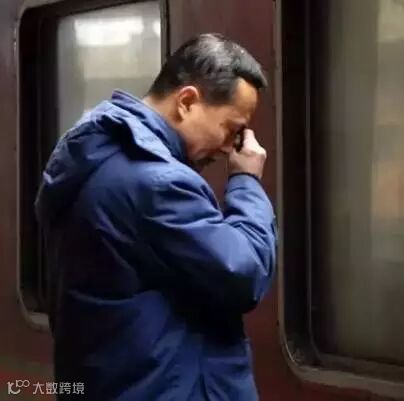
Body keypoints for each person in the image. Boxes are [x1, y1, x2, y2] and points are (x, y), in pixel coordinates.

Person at [34, 33, 276, 401]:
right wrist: (246, 182)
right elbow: (244, 273)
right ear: (187, 102)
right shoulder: (158, 183)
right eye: (231, 129)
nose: (230, 147)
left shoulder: (99, 156)